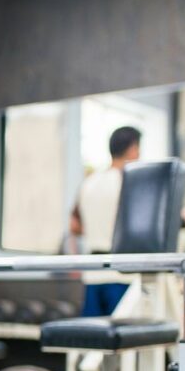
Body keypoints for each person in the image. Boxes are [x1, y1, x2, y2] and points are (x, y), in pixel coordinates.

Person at [65, 125, 141, 315]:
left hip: (93, 274)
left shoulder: (89, 182)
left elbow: (74, 226)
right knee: (125, 341)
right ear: (133, 149)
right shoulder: (130, 181)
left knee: (94, 342)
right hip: (121, 275)